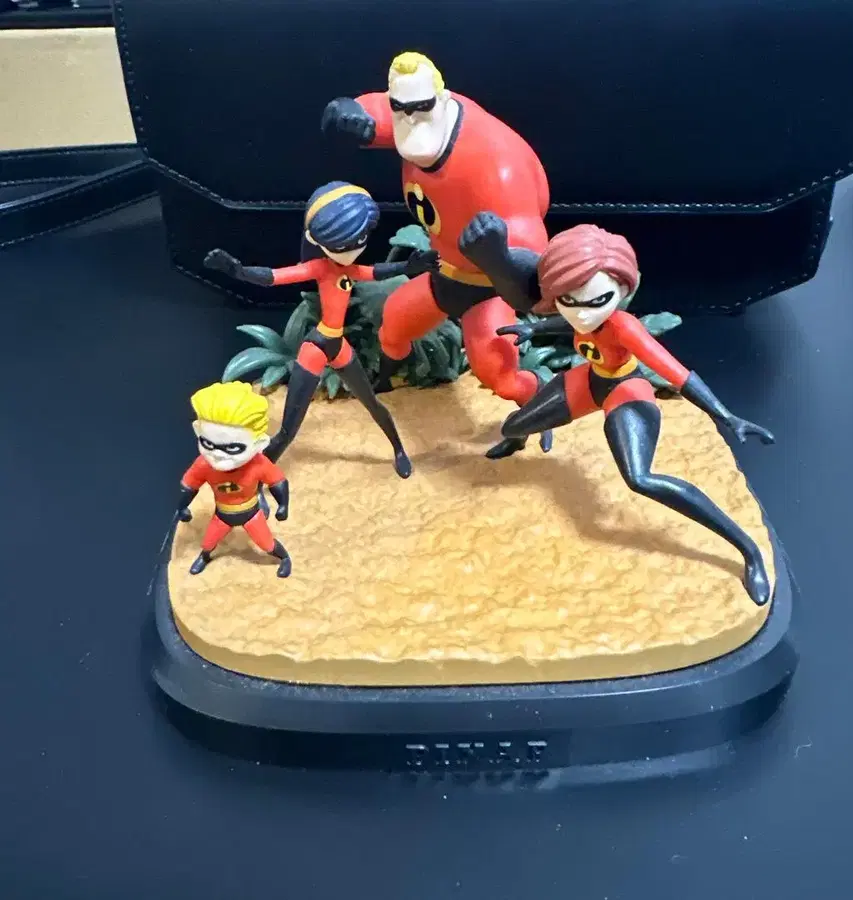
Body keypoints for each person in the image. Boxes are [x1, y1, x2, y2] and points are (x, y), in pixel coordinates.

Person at [475, 221, 775, 606]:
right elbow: (575, 320)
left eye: (597, 301)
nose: (582, 315)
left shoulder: (625, 327)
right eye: (568, 300)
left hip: (626, 392)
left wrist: (725, 415)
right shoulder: (579, 313)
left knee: (640, 478)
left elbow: (676, 373)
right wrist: (537, 330)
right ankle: (519, 441)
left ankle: (747, 550)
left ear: (622, 289)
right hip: (589, 381)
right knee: (514, 425)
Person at [322, 51, 551, 457]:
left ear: (441, 103)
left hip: (488, 288)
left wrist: (498, 255)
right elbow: (384, 110)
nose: (409, 119)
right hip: (443, 271)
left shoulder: (495, 164)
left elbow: (532, 272)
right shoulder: (416, 118)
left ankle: (539, 406)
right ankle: (387, 382)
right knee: (394, 324)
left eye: (420, 108)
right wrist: (351, 110)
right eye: (402, 110)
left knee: (498, 374)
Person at [205, 181, 437, 477]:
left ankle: (399, 450)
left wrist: (409, 267)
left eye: (361, 240)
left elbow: (378, 271)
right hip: (316, 348)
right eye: (343, 245)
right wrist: (237, 271)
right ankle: (256, 480)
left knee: (373, 403)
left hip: (339, 346)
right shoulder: (319, 268)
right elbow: (273, 277)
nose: (354, 250)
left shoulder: (350, 270)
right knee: (289, 429)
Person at [177, 381, 292, 577]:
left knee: (267, 544)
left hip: (251, 513)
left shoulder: (258, 464)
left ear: (259, 443)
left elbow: (278, 482)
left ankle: (284, 558)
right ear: (197, 431)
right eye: (208, 444)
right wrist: (182, 506)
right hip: (222, 514)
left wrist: (283, 505)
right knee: (208, 542)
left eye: (232, 448)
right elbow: (189, 486)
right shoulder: (204, 464)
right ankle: (205, 556)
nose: (218, 454)